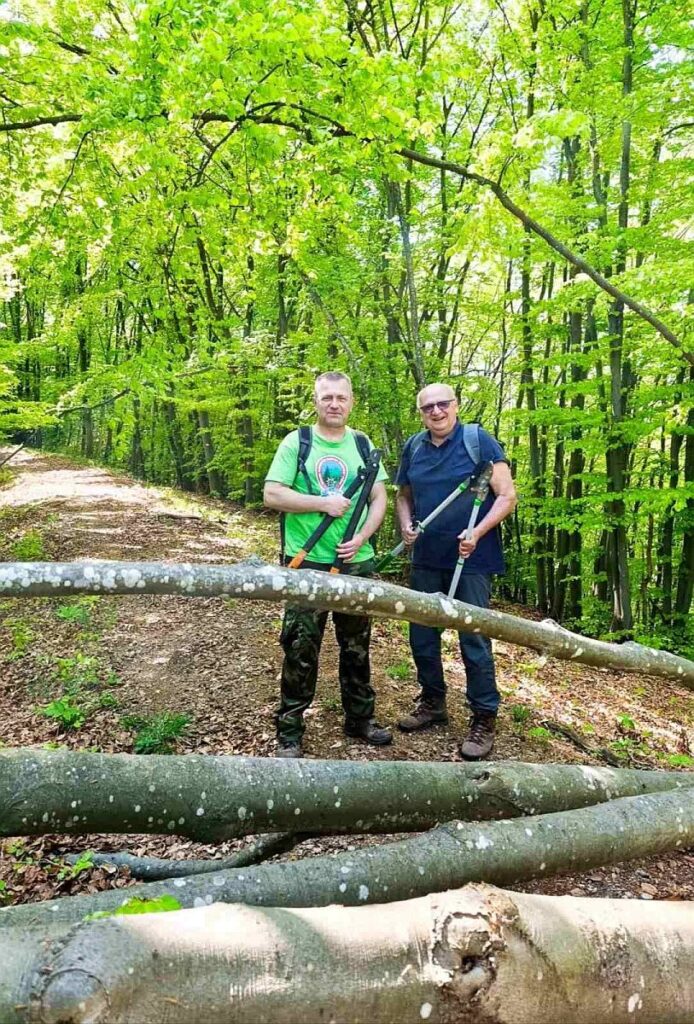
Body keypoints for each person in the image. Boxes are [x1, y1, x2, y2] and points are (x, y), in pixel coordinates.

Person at [264, 371, 393, 758]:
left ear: (351, 401)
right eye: (327, 398)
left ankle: (360, 718)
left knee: (356, 646)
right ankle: (290, 729)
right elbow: (273, 494)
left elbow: (379, 498)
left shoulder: (363, 444)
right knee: (300, 647)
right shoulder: (298, 442)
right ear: (316, 401)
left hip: (356, 564)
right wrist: (323, 503)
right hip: (306, 563)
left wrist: (363, 536)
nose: (334, 404)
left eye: (341, 397)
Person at [394, 382, 517, 760]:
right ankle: (433, 702)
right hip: (427, 558)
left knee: (473, 639)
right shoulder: (414, 447)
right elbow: (403, 495)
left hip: (472, 560)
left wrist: (477, 532)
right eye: (428, 407)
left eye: (442, 404)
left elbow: (507, 495)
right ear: (421, 413)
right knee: (422, 636)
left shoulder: (478, 441)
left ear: (456, 405)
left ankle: (484, 717)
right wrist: (406, 525)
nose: (436, 411)